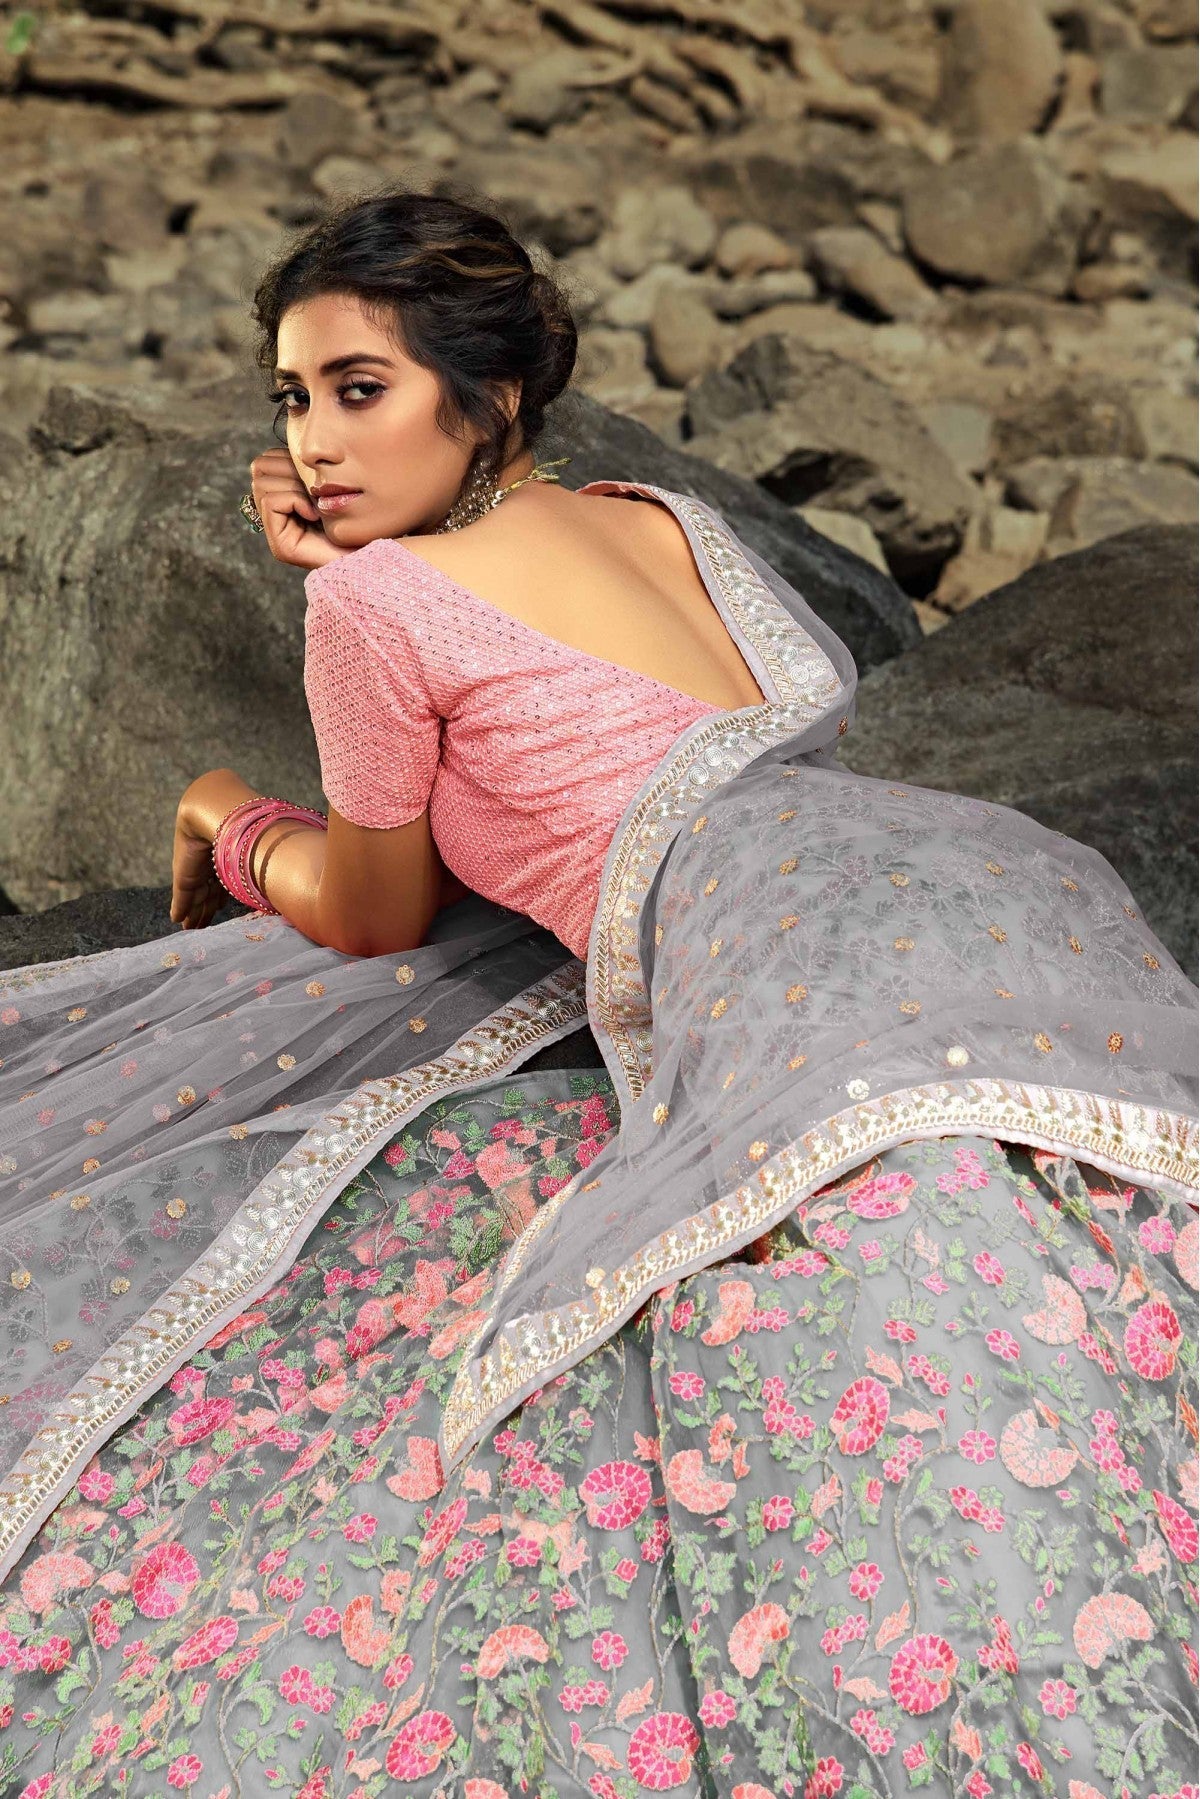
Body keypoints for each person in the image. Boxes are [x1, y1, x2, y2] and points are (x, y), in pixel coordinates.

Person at [0, 187, 1195, 1799]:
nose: (313, 444)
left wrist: (231, 814)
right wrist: (376, 561)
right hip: (952, 872)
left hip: (764, 940)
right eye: (292, 398)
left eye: (360, 390)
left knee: (877, 1313)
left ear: (487, 393)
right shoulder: (660, 518)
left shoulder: (373, 604)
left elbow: (379, 907)